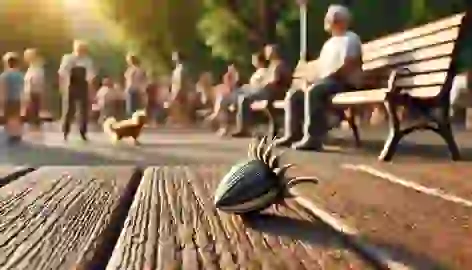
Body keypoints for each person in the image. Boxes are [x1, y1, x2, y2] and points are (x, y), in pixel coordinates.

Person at [274, 5, 363, 150]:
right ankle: (292, 134)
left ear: (342, 21)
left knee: (315, 91)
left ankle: (313, 138)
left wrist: (324, 78)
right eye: (329, 18)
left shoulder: (351, 38)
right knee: (294, 94)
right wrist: (310, 80)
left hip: (343, 82)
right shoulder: (329, 44)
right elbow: (321, 68)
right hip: (327, 82)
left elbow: (349, 65)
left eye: (332, 18)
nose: (328, 21)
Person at [232, 44, 291, 137]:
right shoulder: (272, 65)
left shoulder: (279, 64)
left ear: (274, 52)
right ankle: (243, 127)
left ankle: (244, 129)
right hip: (267, 92)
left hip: (273, 93)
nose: (266, 53)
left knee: (244, 98)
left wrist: (264, 84)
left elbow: (275, 81)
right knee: (242, 96)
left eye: (268, 51)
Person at [58, 40, 96, 141]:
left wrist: (91, 89)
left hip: (83, 85)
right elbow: (62, 72)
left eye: (83, 49)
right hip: (71, 85)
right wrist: (63, 86)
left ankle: (83, 132)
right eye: (79, 49)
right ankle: (65, 132)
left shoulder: (87, 60)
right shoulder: (68, 58)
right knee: (68, 110)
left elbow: (90, 76)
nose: (81, 51)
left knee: (83, 110)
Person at [0, 52, 24, 144]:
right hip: (17, 98)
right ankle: (17, 134)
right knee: (16, 117)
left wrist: (1, 101)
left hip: (8, 99)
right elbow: (22, 88)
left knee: (8, 117)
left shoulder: (4, 75)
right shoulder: (20, 75)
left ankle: (11, 135)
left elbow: (3, 89)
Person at [168, 51, 196, 125]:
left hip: (180, 91)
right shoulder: (177, 69)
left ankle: (184, 123)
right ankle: (182, 123)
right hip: (176, 91)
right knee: (178, 108)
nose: (172, 58)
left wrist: (178, 92)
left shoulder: (182, 69)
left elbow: (182, 81)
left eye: (174, 57)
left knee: (180, 108)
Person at [23, 48, 45, 131]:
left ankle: (34, 130)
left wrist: (28, 94)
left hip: (33, 92)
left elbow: (34, 81)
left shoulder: (36, 68)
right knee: (32, 113)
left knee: (32, 113)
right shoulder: (33, 67)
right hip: (33, 92)